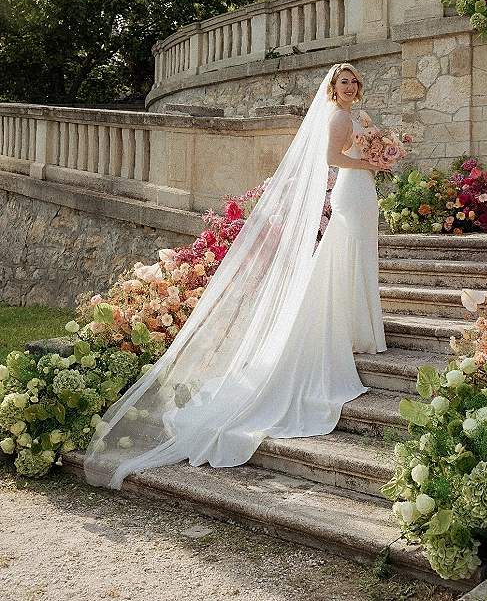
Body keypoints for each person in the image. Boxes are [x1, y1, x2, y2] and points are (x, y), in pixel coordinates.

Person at [84, 63, 386, 489]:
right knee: (345, 255)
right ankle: (349, 327)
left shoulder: (358, 116)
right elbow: (330, 159)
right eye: (343, 81)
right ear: (332, 89)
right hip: (353, 189)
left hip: (363, 191)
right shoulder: (337, 116)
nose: (351, 86)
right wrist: (371, 162)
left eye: (355, 80)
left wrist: (375, 154)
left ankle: (359, 327)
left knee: (357, 256)